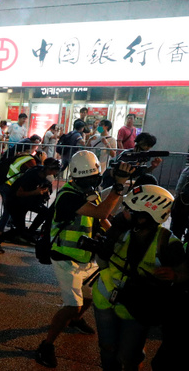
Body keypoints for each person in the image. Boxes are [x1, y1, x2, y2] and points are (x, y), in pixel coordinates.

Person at [35, 151, 134, 368]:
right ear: (79, 178)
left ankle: (76, 319)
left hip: (86, 257)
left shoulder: (87, 192)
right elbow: (101, 213)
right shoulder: (68, 196)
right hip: (65, 258)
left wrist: (118, 240)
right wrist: (118, 186)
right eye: (89, 179)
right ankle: (46, 345)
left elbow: (101, 220)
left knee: (91, 295)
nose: (93, 183)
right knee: (72, 305)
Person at [91, 185, 185, 371]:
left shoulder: (168, 243)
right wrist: (110, 237)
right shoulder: (121, 228)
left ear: (147, 216)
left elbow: (185, 274)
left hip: (138, 307)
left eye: (130, 210)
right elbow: (101, 261)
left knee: (128, 356)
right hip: (105, 298)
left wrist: (176, 275)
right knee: (107, 348)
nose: (123, 213)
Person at [0, 158, 61, 253]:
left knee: (46, 212)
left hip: (26, 202)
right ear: (49, 169)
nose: (56, 172)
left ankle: (30, 233)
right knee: (20, 230)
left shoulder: (42, 173)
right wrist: (36, 192)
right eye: (55, 170)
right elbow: (19, 193)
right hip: (15, 202)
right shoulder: (32, 175)